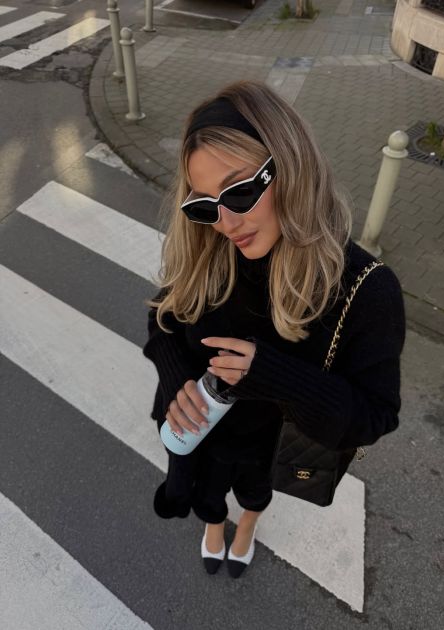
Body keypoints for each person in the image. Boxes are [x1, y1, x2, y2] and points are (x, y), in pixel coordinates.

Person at [142, 80, 406, 578]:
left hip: (270, 450)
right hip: (202, 434)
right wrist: (178, 380)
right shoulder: (208, 251)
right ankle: (215, 524)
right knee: (208, 494)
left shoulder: (364, 289)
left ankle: (247, 525)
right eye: (204, 206)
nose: (225, 223)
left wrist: (275, 377)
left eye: (240, 192)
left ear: (291, 166)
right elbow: (164, 317)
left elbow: (374, 416)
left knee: (254, 493)